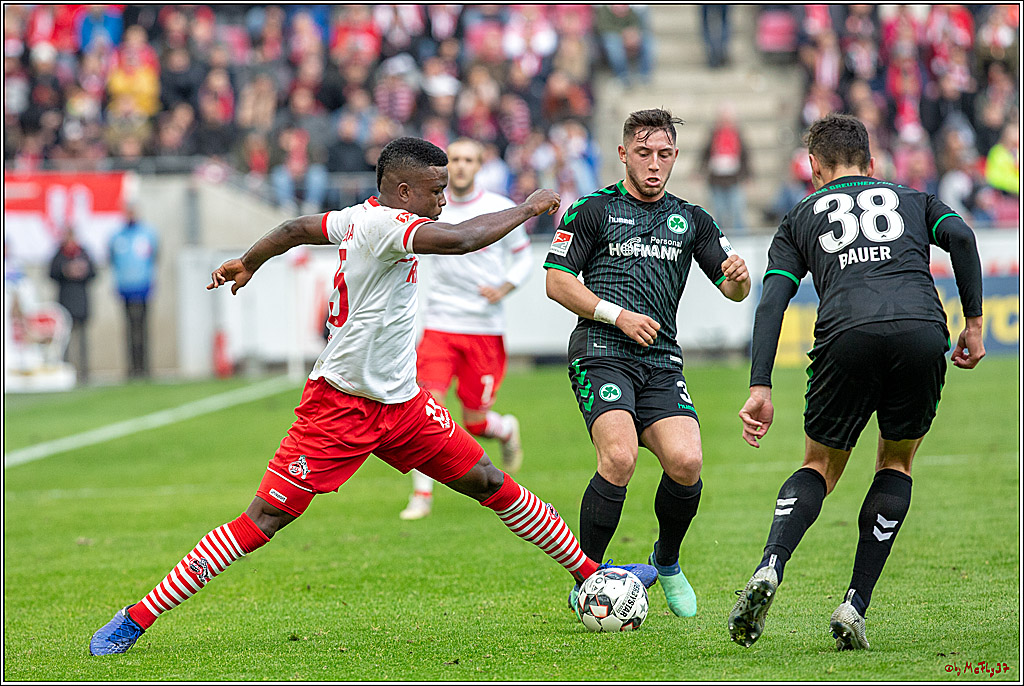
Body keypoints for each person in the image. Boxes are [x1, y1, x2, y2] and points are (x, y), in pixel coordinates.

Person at [89, 137, 657, 656]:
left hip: (403, 404)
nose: (442, 201)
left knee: (487, 479)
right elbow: (462, 240)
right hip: (338, 408)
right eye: (435, 192)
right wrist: (529, 208)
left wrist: (250, 261)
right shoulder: (388, 225)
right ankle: (135, 617)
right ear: (404, 190)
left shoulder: (355, 218)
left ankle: (589, 575)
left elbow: (292, 230)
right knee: (263, 519)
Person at [728, 114, 985, 651]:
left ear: (814, 169)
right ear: (871, 164)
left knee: (818, 466)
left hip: (847, 333)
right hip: (920, 331)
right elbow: (960, 236)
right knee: (895, 462)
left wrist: (760, 386)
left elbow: (772, 300)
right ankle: (854, 605)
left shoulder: (801, 216)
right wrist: (975, 322)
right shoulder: (912, 198)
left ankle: (771, 567)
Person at [543, 108, 751, 618]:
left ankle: (668, 560)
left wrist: (741, 277)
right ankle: (586, 576)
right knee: (619, 457)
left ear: (676, 157)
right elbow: (556, 281)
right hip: (600, 351)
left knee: (687, 463)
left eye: (663, 155)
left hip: (660, 359)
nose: (653, 164)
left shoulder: (693, 220)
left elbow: (732, 291)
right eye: (643, 153)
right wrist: (618, 316)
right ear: (623, 155)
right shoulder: (591, 210)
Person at [399, 138, 533, 521]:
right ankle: (422, 496)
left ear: (479, 165)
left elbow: (523, 258)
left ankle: (506, 429)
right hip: (440, 324)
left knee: (475, 421)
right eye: (454, 159)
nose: (459, 166)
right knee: (428, 408)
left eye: (467, 160)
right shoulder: (428, 206)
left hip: (484, 328)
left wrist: (505, 286)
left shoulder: (498, 208)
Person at [108, 207, 158, 379]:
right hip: (125, 287)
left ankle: (144, 366)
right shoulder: (117, 236)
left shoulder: (147, 233)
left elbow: (155, 256)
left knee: (143, 328)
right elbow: (112, 258)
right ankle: (131, 367)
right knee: (129, 329)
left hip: (143, 286)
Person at [48, 226, 96, 383]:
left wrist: (83, 270)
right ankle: (66, 370)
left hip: (81, 301)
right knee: (65, 340)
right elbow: (51, 272)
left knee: (82, 340)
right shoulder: (59, 254)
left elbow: (94, 272)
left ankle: (84, 372)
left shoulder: (83, 252)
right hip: (65, 302)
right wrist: (66, 270)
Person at [698, 103, 751, 233]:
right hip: (716, 180)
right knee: (719, 212)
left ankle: (741, 241)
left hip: (734, 179)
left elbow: (745, 156)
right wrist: (699, 171)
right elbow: (705, 154)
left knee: (737, 212)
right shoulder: (713, 135)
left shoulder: (738, 135)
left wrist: (748, 176)